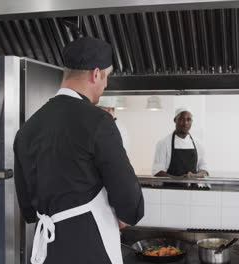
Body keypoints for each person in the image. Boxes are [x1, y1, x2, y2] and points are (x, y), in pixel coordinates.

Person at [13, 37, 144, 264]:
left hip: (48, 250)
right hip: (89, 247)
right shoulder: (99, 122)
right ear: (95, 74)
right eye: (106, 77)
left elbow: (27, 208)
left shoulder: (27, 129)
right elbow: (128, 197)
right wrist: (127, 215)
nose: (105, 86)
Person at [152, 108, 208, 181]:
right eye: (182, 119)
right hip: (170, 189)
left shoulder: (198, 144)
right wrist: (178, 179)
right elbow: (157, 171)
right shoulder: (163, 143)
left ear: (192, 122)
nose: (185, 123)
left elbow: (204, 170)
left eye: (188, 119)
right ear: (175, 120)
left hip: (193, 189)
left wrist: (194, 176)